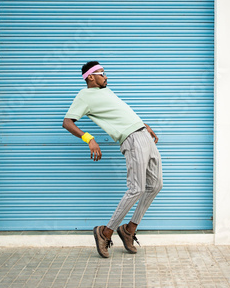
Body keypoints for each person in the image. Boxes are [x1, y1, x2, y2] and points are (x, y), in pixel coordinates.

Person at [62, 61, 163, 258]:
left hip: (143, 135)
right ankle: (105, 231)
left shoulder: (106, 92)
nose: (106, 76)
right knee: (137, 189)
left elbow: (121, 112)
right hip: (132, 140)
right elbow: (67, 122)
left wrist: (144, 125)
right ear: (90, 77)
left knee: (156, 185)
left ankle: (128, 229)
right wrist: (89, 138)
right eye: (102, 73)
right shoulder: (84, 96)